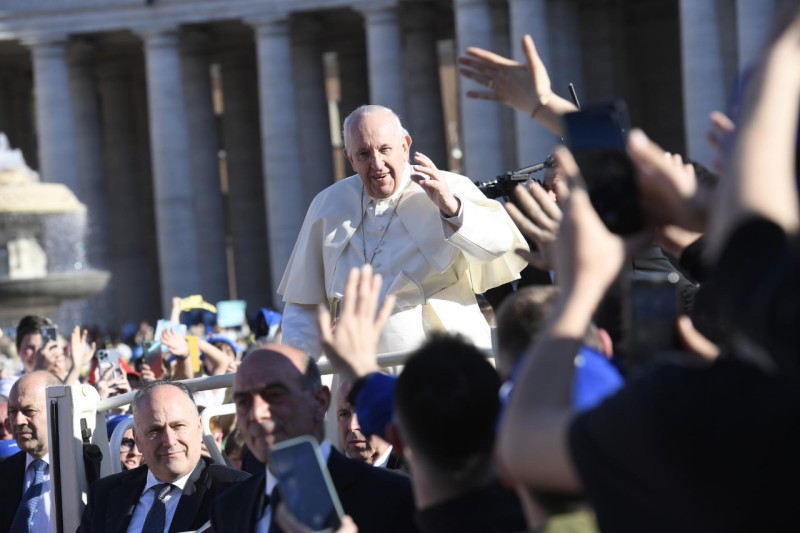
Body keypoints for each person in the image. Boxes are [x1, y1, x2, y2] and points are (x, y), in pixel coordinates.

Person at [278, 104, 528, 357]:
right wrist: (298, 373)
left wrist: (452, 208)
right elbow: (304, 307)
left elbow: (500, 245)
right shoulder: (328, 205)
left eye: (385, 149)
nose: (377, 164)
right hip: (363, 367)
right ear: (350, 158)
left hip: (447, 357)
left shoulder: (449, 186)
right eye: (363, 154)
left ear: (405, 146)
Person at [210, 344, 418, 532]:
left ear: (320, 401)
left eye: (274, 395)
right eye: (243, 402)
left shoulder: (395, 496)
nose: (257, 413)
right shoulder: (228, 508)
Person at [79, 381, 249, 532]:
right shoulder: (105, 494)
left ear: (198, 428)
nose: (169, 440)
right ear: (138, 440)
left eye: (178, 426)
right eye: (155, 430)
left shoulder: (236, 492)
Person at [0, 370, 63, 532]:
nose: (18, 421)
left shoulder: (87, 469)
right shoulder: (4, 471)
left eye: (29, 411)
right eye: (13, 412)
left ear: (58, 410)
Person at [335, 380, 399, 469]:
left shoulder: (418, 475)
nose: (352, 426)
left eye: (364, 412)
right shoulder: (325, 477)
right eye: (344, 414)